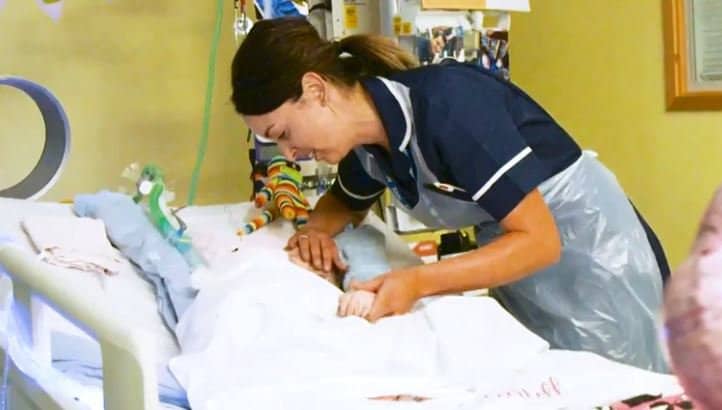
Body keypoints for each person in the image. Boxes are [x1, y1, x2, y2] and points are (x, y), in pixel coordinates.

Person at [229, 17, 670, 372]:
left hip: (589, 251)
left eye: (283, 133)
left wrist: (416, 281)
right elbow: (341, 202)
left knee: (620, 383)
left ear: (315, 90)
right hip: (517, 260)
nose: (289, 152)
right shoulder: (367, 148)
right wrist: (318, 232)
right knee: (545, 378)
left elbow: (541, 241)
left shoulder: (447, 109)